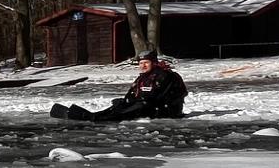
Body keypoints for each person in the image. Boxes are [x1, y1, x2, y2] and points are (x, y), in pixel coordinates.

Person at [49, 51, 187, 121]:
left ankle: (95, 119)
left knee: (140, 105)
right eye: (141, 63)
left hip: (166, 111)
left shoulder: (164, 75)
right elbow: (133, 95)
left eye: (146, 62)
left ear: (153, 63)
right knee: (121, 103)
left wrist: (131, 104)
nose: (143, 66)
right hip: (150, 105)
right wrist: (124, 103)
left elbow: (153, 98)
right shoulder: (145, 76)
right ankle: (96, 115)